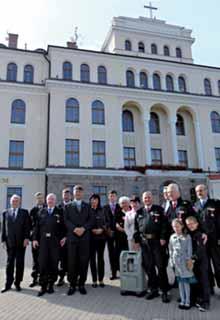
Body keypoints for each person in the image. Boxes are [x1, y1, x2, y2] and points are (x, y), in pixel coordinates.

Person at [133, 191, 170, 303]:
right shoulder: (139, 212)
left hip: (157, 242)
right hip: (145, 243)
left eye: (149, 197)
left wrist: (163, 237)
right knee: (149, 267)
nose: (147, 199)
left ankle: (164, 291)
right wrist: (136, 240)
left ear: (152, 198)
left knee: (161, 266)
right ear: (143, 199)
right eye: (145, 198)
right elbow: (136, 228)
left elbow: (164, 225)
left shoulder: (158, 209)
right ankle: (153, 289)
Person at [33, 193, 66, 296]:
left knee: (53, 263)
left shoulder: (60, 212)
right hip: (43, 242)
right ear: (46, 201)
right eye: (49, 199)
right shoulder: (41, 211)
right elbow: (36, 227)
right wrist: (34, 239)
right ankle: (43, 286)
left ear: (55, 201)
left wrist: (65, 237)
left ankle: (51, 284)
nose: (50, 201)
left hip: (55, 243)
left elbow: (64, 227)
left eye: (52, 199)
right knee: (42, 263)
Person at [64, 185, 93, 295]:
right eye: (76, 191)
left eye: (80, 191)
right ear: (73, 193)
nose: (78, 193)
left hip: (84, 238)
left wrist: (84, 228)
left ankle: (81, 284)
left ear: (83, 193)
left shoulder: (88, 206)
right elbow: (66, 220)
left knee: (83, 262)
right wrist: (75, 229)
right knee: (72, 262)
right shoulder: (68, 206)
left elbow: (91, 220)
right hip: (72, 238)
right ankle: (72, 284)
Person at [1, 194, 30, 293]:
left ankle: (17, 283)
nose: (15, 202)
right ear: (10, 201)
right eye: (13, 200)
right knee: (9, 264)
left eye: (17, 200)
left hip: (21, 243)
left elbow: (27, 227)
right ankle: (8, 284)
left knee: (19, 264)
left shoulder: (25, 213)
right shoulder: (5, 212)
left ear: (20, 202)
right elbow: (4, 228)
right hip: (10, 243)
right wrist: (3, 240)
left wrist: (27, 238)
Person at [194, 184, 220, 292]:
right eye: (197, 191)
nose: (199, 192)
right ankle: (210, 287)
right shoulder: (195, 205)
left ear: (206, 191)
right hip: (202, 240)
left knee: (218, 264)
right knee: (206, 265)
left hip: (214, 240)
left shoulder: (215, 203)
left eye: (201, 190)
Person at [169, 219, 196, 310]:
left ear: (182, 226)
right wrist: (171, 260)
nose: (176, 228)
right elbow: (171, 250)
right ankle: (182, 300)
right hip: (177, 263)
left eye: (177, 226)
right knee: (180, 282)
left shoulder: (187, 236)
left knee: (186, 282)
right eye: (174, 226)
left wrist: (189, 260)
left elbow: (189, 250)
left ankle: (187, 301)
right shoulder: (172, 237)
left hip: (184, 262)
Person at [185, 216, 210, 312]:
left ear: (197, 224)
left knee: (204, 281)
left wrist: (193, 258)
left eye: (192, 223)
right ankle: (195, 299)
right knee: (194, 281)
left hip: (201, 261)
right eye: (188, 224)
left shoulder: (199, 234)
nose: (190, 225)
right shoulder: (188, 234)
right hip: (192, 261)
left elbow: (200, 249)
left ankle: (206, 302)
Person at [89, 194, 108, 288]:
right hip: (91, 239)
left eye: (96, 199)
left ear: (98, 201)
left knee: (100, 259)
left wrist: (102, 229)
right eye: (92, 199)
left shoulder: (103, 210)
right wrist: (91, 229)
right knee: (92, 260)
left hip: (101, 238)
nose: (94, 201)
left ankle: (101, 279)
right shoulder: (88, 211)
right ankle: (94, 280)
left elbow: (107, 222)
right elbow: (85, 222)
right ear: (90, 201)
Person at [103, 190, 121, 280]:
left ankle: (121, 270)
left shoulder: (120, 206)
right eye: (110, 196)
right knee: (111, 253)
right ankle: (113, 272)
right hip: (109, 234)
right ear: (108, 197)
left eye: (114, 196)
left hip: (119, 234)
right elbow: (103, 220)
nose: (112, 197)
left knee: (119, 252)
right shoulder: (105, 208)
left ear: (116, 197)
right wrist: (107, 229)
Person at [29, 192, 46, 288]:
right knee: (35, 260)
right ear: (36, 199)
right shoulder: (33, 211)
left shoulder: (47, 209)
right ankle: (34, 278)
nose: (40, 200)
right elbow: (30, 225)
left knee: (43, 259)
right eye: (38, 198)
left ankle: (43, 278)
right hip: (35, 239)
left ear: (44, 199)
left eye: (41, 198)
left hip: (44, 239)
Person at [57, 188, 72, 286]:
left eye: (67, 194)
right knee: (62, 259)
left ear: (70, 196)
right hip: (60, 238)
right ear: (62, 195)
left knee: (72, 258)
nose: (66, 196)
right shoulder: (58, 207)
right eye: (64, 194)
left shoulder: (74, 206)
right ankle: (61, 278)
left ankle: (71, 279)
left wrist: (67, 236)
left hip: (71, 237)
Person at [115, 196, 129, 268]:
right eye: (122, 203)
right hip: (120, 237)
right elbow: (116, 223)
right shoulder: (118, 212)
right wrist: (118, 226)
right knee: (121, 254)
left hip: (130, 237)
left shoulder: (132, 211)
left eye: (125, 203)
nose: (124, 205)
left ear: (128, 203)